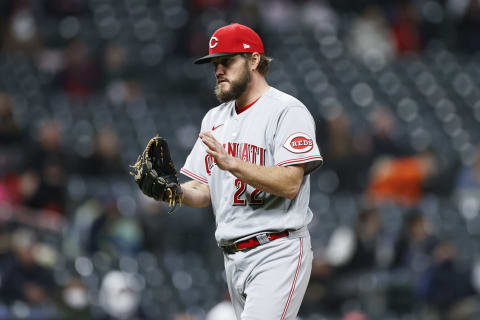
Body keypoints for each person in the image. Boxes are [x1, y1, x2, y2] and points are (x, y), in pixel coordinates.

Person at [155, 23, 323, 319]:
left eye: (227, 61)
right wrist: (170, 190)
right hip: (233, 257)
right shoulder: (214, 118)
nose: (218, 70)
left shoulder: (286, 111)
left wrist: (233, 163)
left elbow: (290, 183)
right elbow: (203, 191)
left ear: (254, 60)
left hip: (277, 248)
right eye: (214, 64)